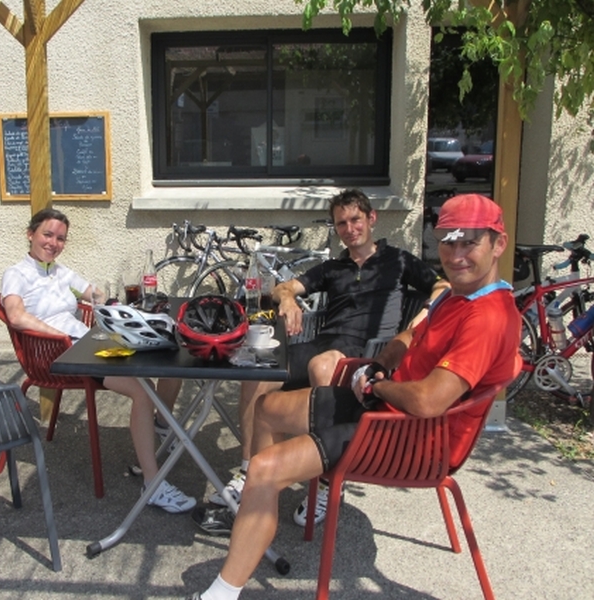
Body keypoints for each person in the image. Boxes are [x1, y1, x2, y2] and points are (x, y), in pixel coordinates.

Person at [186, 193, 522, 600]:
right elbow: (412, 333)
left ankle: (222, 590)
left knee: (266, 469)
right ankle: (261, 493)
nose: (455, 253)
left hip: (408, 437)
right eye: (447, 241)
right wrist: (384, 361)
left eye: (468, 241)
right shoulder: (458, 297)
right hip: (383, 406)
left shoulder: (488, 316)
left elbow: (428, 403)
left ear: (498, 244)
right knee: (267, 406)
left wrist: (377, 385)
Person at [207, 188, 450, 528]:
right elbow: (283, 288)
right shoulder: (333, 267)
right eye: (342, 223)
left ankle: (326, 483)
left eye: (355, 220)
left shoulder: (398, 260)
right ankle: (250, 472)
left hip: (368, 356)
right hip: (322, 344)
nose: (350, 229)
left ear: (371, 219)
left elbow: (442, 287)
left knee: (325, 366)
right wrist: (288, 300)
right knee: (256, 372)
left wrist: (422, 315)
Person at [0, 208, 195, 514]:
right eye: (47, 235)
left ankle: (160, 426)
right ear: (31, 234)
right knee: (142, 393)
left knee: (172, 358)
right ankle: (153, 483)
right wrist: (61, 335)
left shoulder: (60, 272)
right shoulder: (17, 274)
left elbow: (97, 293)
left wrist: (110, 303)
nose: (53, 242)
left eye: (60, 238)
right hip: (60, 356)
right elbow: (15, 314)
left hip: (87, 344)